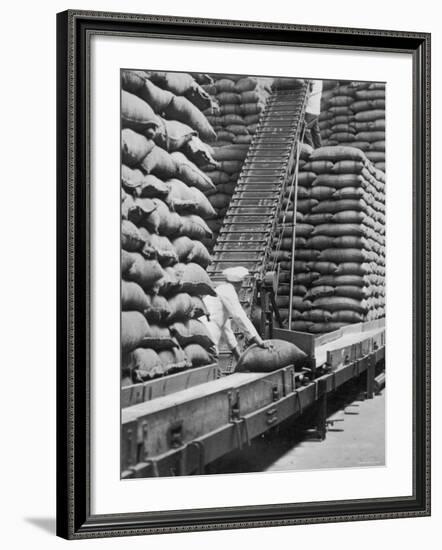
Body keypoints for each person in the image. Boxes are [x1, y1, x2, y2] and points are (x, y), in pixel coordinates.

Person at [201, 266, 269, 360]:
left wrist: (238, 357)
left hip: (203, 332)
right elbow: (239, 316)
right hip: (209, 333)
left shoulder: (220, 291)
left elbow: (226, 329)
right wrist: (259, 341)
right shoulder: (228, 290)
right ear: (239, 284)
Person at [304, 79, 323, 149]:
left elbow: (309, 83)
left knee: (305, 130)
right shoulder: (320, 81)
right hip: (316, 109)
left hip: (309, 109)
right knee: (316, 132)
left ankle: (310, 150)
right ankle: (319, 149)